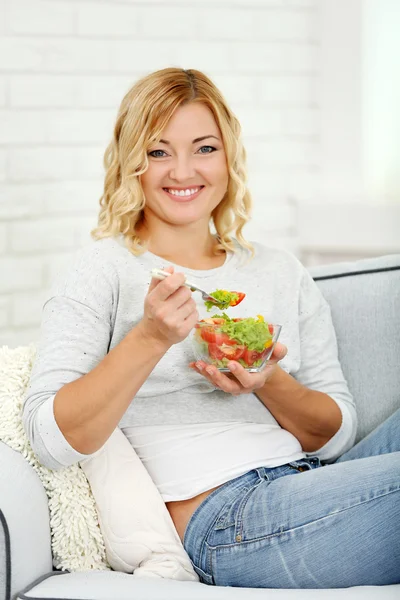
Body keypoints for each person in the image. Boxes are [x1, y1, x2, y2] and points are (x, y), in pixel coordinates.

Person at [23, 67, 399, 589]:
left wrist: (270, 379)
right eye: (158, 152)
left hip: (311, 483)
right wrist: (149, 338)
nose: (182, 172)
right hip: (227, 520)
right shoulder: (103, 269)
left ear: (228, 158)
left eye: (204, 148)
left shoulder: (280, 271)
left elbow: (335, 438)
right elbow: (51, 439)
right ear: (132, 162)